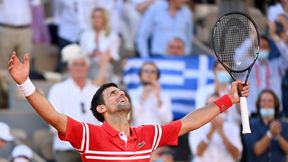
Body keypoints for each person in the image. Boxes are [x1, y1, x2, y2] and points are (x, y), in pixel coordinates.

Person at [7, 52, 249, 162]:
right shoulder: (89, 135)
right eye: (112, 93)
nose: (120, 92)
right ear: (101, 109)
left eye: (121, 91)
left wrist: (228, 99)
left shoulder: (147, 134)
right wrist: (25, 83)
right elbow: (52, 115)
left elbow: (190, 122)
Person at [48, 44, 105, 162]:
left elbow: (104, 119)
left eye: (82, 64)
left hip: (94, 148)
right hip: (67, 148)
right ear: (69, 67)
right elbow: (54, 120)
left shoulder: (96, 90)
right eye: (75, 64)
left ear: (87, 67)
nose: (79, 68)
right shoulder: (58, 89)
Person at [189, 95, 242, 162]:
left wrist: (223, 135)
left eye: (217, 105)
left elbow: (237, 155)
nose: (213, 109)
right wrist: (211, 131)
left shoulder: (232, 127)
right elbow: (198, 152)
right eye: (210, 105)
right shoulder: (196, 126)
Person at [242, 89, 288, 162]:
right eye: (263, 101)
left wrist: (278, 136)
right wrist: (270, 133)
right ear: (259, 104)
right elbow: (256, 150)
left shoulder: (284, 124)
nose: (266, 104)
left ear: (275, 104)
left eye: (270, 101)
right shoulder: (250, 124)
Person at [80, 7, 120, 80]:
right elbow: (82, 53)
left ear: (104, 19)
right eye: (94, 17)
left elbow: (115, 56)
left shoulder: (112, 35)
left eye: (99, 17)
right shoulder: (85, 35)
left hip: (105, 65)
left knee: (105, 65)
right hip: (89, 64)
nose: (96, 19)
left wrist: (103, 55)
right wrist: (91, 54)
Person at [129, 61, 173, 126]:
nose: (149, 74)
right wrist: (143, 97)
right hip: (138, 134)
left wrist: (158, 97)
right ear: (140, 75)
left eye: (153, 72)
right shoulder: (132, 93)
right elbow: (131, 118)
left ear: (157, 76)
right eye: (146, 71)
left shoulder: (164, 95)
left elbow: (168, 120)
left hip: (157, 134)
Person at [0, 0, 35, 70]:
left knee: (24, 63)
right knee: (2, 63)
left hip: (25, 29)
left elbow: (35, 3)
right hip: (6, 29)